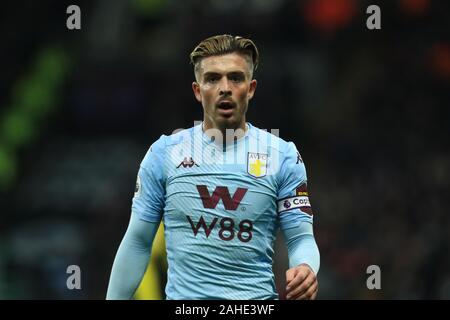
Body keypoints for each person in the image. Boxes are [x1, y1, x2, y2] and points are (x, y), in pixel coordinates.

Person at [106, 34, 320, 300]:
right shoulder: (164, 154)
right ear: (198, 90)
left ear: (251, 88)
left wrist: (305, 267)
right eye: (212, 78)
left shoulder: (283, 156)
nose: (225, 88)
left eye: (236, 77)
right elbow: (138, 241)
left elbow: (300, 238)